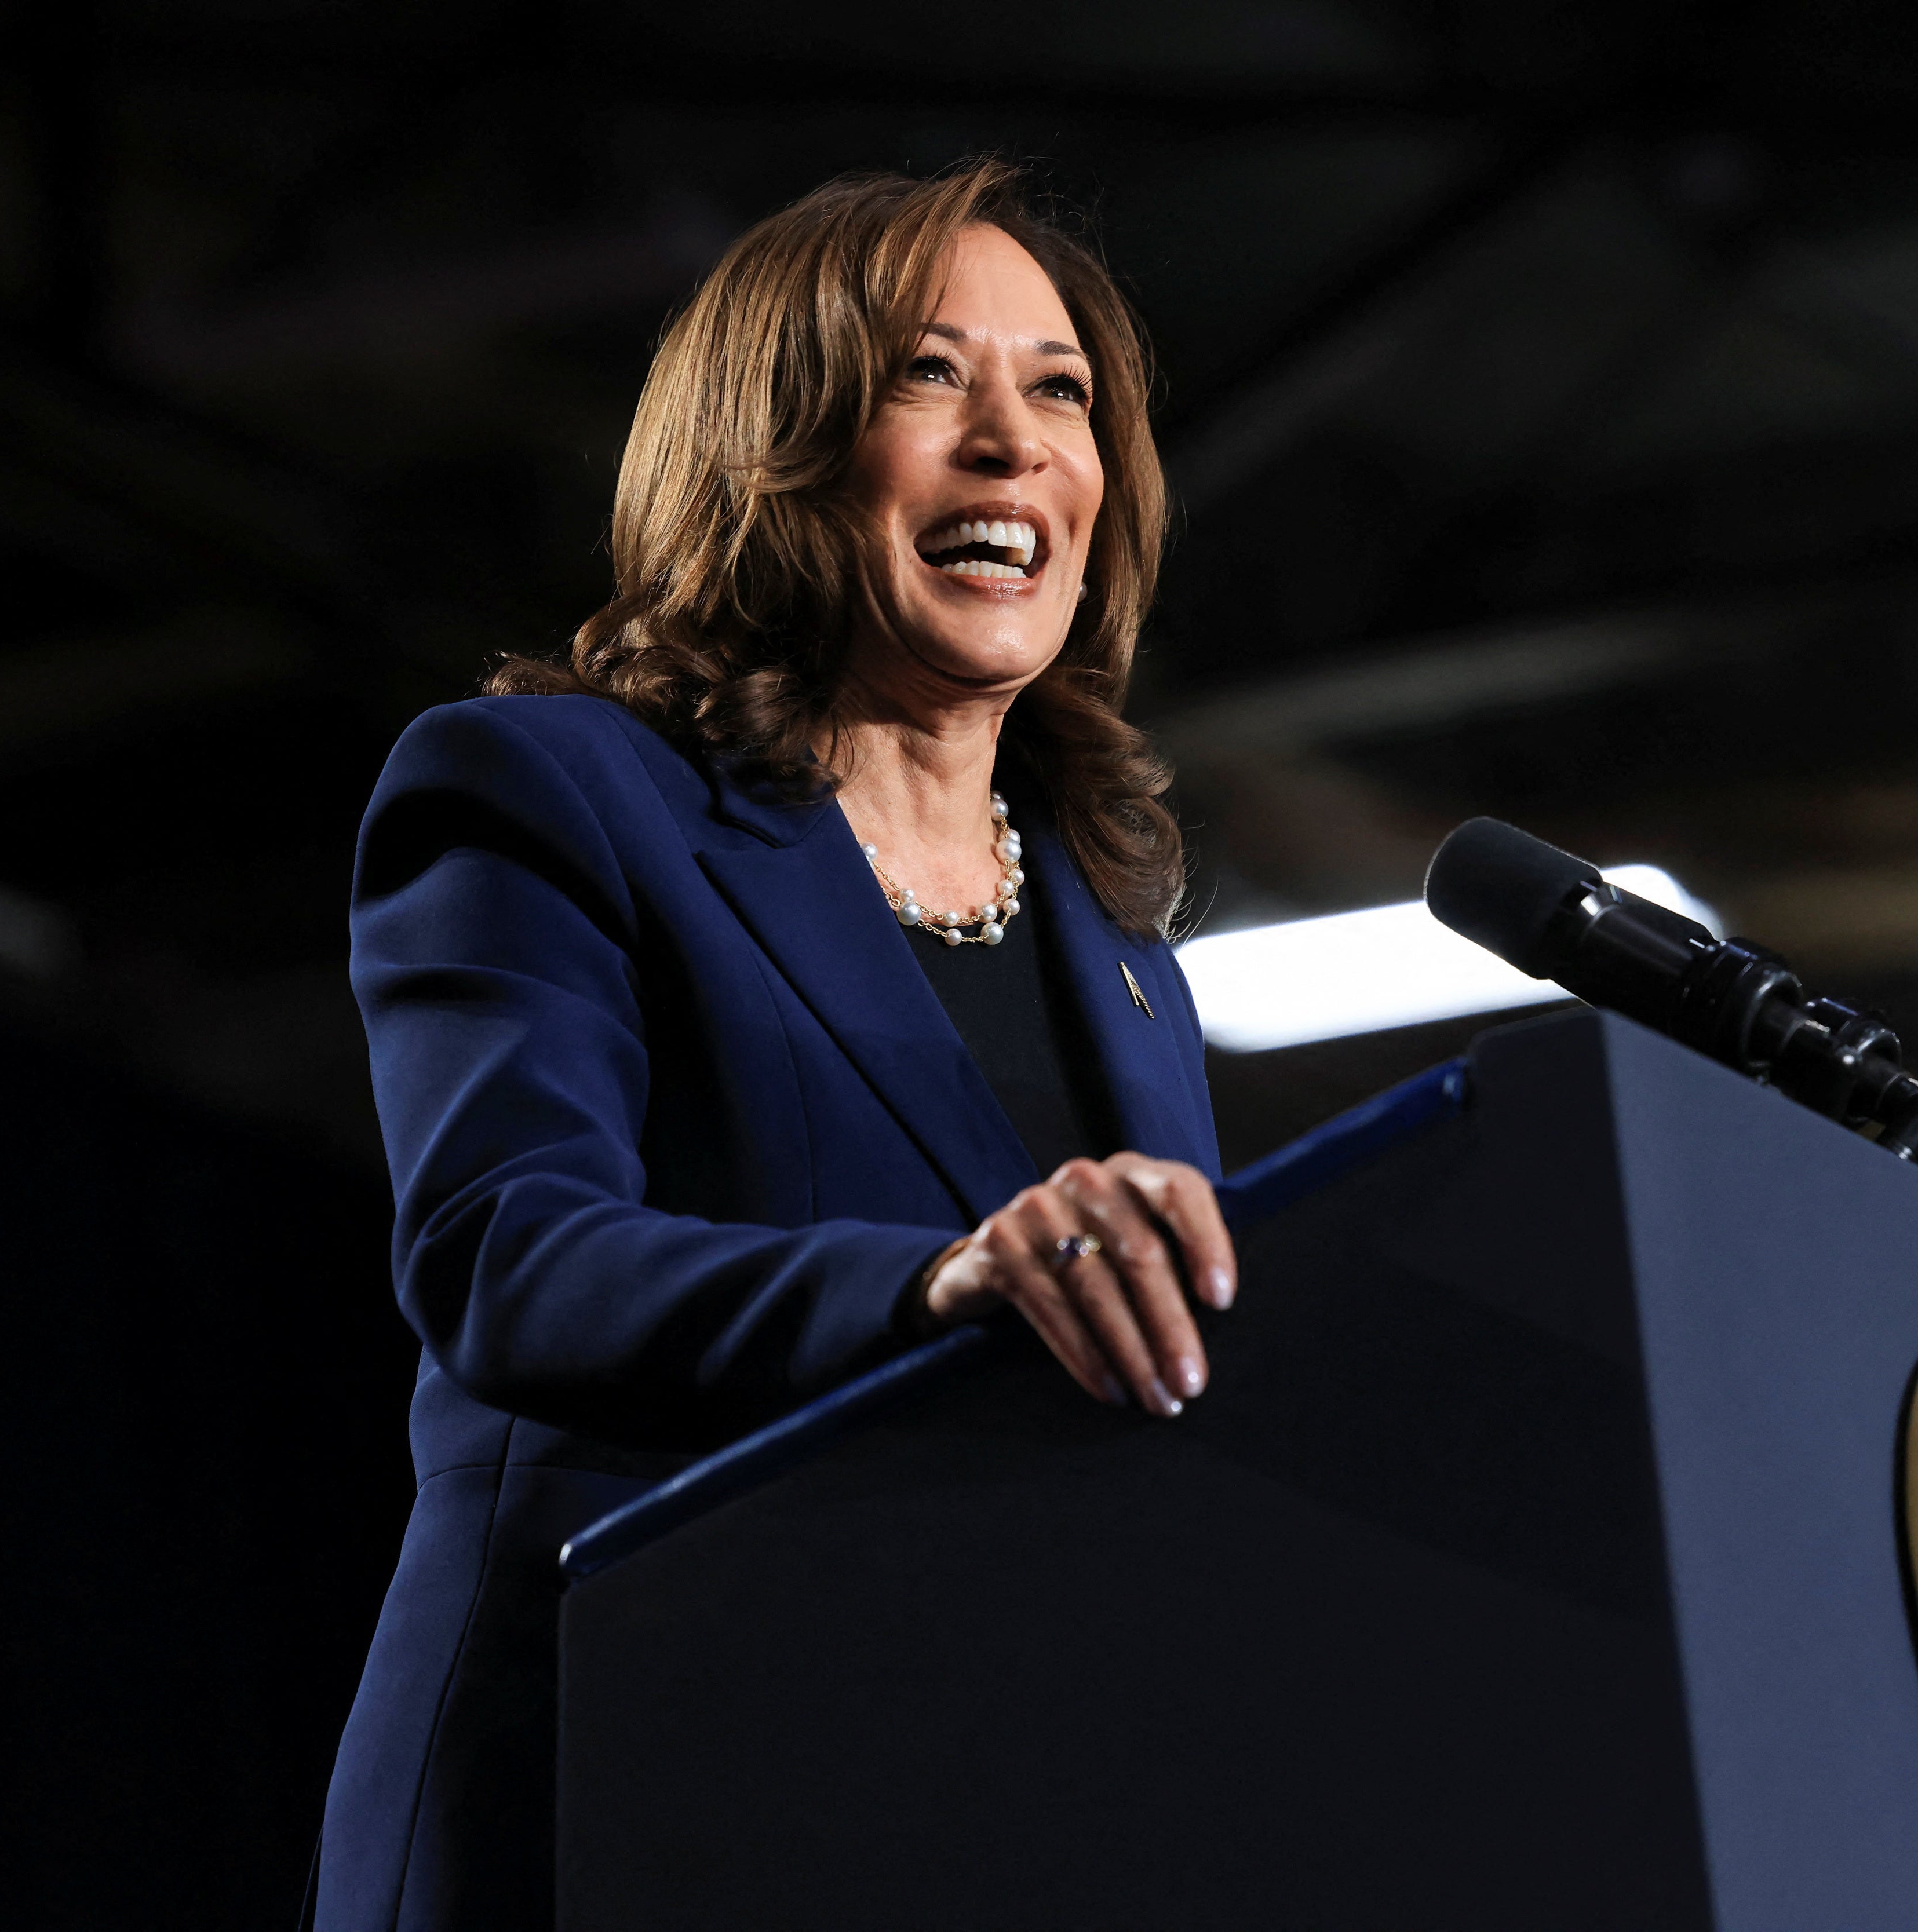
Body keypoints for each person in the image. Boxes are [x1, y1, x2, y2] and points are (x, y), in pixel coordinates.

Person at [313, 162, 1239, 1932]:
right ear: (775, 445)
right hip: (616, 1779)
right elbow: (509, 1258)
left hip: (977, 1816)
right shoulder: (551, 792)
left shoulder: (1126, 961)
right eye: (926, 376)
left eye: (1060, 391)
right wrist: (932, 1292)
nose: (1011, 442)